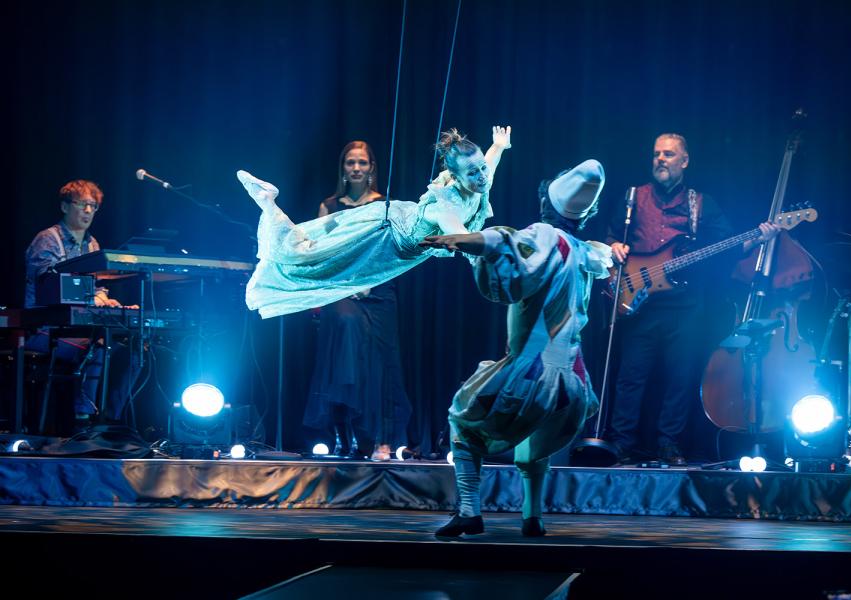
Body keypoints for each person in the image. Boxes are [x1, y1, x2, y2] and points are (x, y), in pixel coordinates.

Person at [420, 159, 613, 538]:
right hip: (572, 385)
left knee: (462, 417)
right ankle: (532, 517)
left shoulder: (544, 236)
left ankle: (469, 511)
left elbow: (501, 241)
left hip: (532, 373)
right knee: (533, 440)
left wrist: (458, 238)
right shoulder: (582, 251)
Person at [602, 134, 779, 465]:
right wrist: (613, 246)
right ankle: (621, 442)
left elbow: (727, 246)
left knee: (680, 377)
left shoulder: (701, 203)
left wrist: (759, 238)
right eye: (656, 153)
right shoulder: (632, 196)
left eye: (668, 154)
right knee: (630, 377)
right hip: (638, 299)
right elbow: (612, 235)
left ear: (684, 161)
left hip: (684, 305)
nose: (660, 159)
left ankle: (669, 443)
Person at [237, 126, 511, 318]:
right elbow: (463, 239)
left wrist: (499, 145)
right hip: (382, 236)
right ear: (455, 175)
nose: (482, 176)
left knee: (322, 259)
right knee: (313, 256)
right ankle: (268, 201)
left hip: (397, 228)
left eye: (481, 169)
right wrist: (493, 255)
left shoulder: (479, 179)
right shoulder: (447, 206)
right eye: (472, 172)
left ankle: (269, 204)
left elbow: (491, 162)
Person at [303, 141, 412, 460]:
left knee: (380, 365)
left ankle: (381, 440)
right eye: (350, 162)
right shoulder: (329, 206)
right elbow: (320, 254)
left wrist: (366, 284)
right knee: (345, 341)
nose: (356, 168)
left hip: (377, 290)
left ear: (371, 168)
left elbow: (389, 252)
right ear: (343, 168)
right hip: (340, 290)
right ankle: (344, 434)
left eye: (362, 162)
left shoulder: (383, 205)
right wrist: (343, 285)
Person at [24, 180, 139, 431]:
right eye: (82, 204)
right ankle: (82, 420)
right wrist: (92, 298)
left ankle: (111, 421)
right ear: (65, 207)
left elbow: (97, 286)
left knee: (134, 351)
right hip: (44, 330)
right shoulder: (48, 240)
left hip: (78, 329)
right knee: (99, 346)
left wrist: (105, 299)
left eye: (93, 206)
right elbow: (48, 288)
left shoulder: (92, 244)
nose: (88, 211)